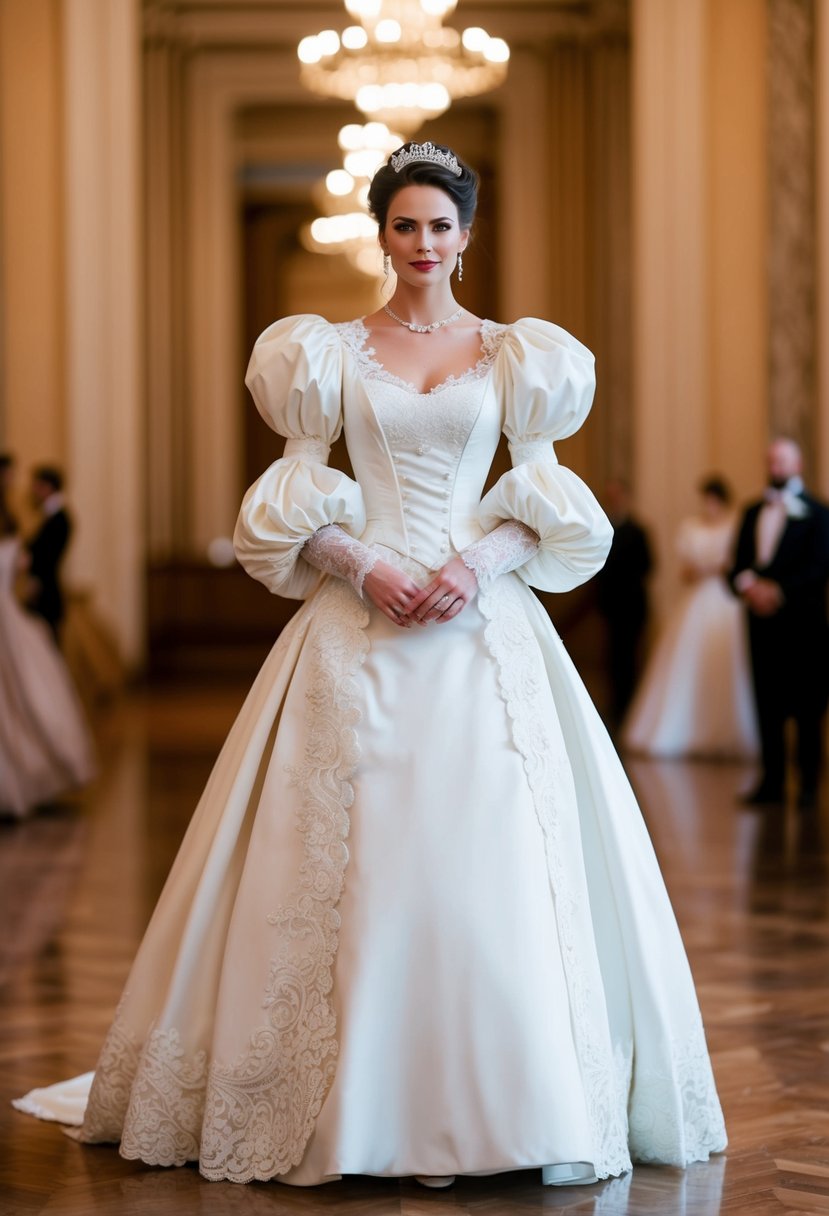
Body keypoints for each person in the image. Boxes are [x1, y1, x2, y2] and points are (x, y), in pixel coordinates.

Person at [14, 142, 726, 1187]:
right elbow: (288, 496)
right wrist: (358, 564)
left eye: (440, 225)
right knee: (351, 858)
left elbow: (546, 494)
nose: (423, 243)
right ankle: (345, 1103)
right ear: (380, 233)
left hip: (486, 634)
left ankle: (514, 1103)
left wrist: (479, 563)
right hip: (359, 628)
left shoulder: (520, 357)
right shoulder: (324, 354)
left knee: (497, 857)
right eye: (404, 225)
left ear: (467, 236)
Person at [623, 476, 758, 758]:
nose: (709, 506)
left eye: (713, 500)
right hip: (697, 599)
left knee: (727, 662)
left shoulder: (736, 525)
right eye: (705, 500)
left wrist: (720, 569)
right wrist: (701, 569)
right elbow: (684, 573)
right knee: (686, 660)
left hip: (726, 602)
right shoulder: (690, 528)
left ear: (722, 500)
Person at [730, 437, 829, 808]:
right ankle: (770, 781)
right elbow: (737, 564)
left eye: (782, 462)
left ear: (797, 465)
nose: (776, 468)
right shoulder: (752, 511)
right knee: (766, 704)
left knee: (807, 706)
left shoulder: (819, 513)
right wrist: (749, 587)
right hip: (761, 627)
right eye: (771, 461)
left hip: (804, 627)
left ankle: (807, 786)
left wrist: (778, 590)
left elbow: (821, 566)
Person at [0, 454, 95, 817]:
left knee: (39, 678)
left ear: (48, 486)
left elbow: (42, 560)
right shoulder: (46, 518)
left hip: (42, 602)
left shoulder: (60, 519)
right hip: (25, 605)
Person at [594, 478, 653, 728]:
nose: (614, 500)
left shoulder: (639, 530)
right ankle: (615, 708)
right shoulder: (601, 528)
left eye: (618, 495)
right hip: (611, 604)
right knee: (612, 657)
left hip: (633, 604)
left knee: (631, 657)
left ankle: (631, 708)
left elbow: (649, 565)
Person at [26, 465, 72, 641]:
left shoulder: (60, 519)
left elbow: (47, 557)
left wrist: (34, 576)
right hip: (45, 595)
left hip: (47, 596)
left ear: (47, 487)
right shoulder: (52, 517)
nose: (33, 491)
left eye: (36, 486)